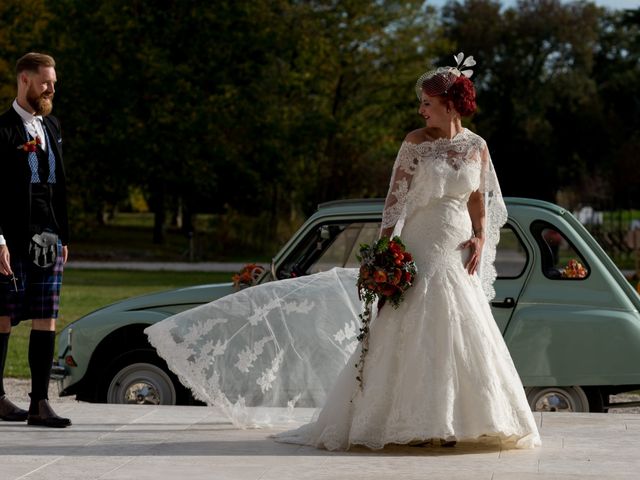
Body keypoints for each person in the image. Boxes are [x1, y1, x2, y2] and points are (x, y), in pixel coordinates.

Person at [145, 53, 540, 450]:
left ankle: (463, 420)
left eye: (427, 103)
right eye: (421, 103)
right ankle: (416, 424)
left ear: (451, 104)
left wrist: (480, 236)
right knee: (413, 324)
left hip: (456, 246)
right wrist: (387, 250)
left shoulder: (477, 146)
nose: (420, 110)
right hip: (420, 243)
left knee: (461, 325)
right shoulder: (414, 143)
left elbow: (478, 198)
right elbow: (395, 200)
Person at [0, 52, 71, 428]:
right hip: (9, 239)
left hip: (49, 237)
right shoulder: (3, 131)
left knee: (47, 318)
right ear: (24, 80)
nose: (51, 88)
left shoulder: (53, 126)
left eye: (54, 83)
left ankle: (39, 403)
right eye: (45, 82)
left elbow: (59, 187)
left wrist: (64, 235)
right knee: (3, 318)